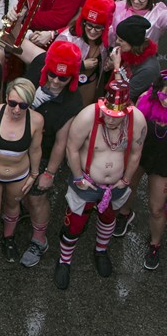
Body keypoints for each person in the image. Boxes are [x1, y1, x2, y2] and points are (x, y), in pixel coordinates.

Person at [54, 81, 147, 289]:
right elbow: (72, 148)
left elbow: (136, 153)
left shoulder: (137, 120)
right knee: (74, 224)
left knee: (108, 218)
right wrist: (78, 177)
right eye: (107, 114)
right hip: (86, 182)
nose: (110, 120)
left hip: (116, 185)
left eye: (116, 116)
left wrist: (126, 179)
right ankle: (64, 261)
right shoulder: (88, 116)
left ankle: (101, 251)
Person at [16, 41, 85, 268]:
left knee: (37, 197)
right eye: (52, 75)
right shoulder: (39, 64)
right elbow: (16, 42)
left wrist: (49, 173)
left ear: (72, 78)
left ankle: (39, 240)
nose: (55, 81)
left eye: (62, 78)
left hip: (44, 153)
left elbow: (61, 142)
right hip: (18, 145)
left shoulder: (73, 102)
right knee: (18, 192)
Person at [0, 78, 44, 277]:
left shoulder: (36, 120)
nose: (16, 109)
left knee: (13, 207)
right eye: (12, 103)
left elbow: (35, 149)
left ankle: (8, 238)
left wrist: (34, 174)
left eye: (23, 105)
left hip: (19, 175)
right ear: (6, 98)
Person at [135, 74, 167, 271]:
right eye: (164, 95)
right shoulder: (144, 101)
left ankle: (155, 244)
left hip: (163, 164)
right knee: (127, 189)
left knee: (156, 209)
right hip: (141, 155)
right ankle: (124, 216)